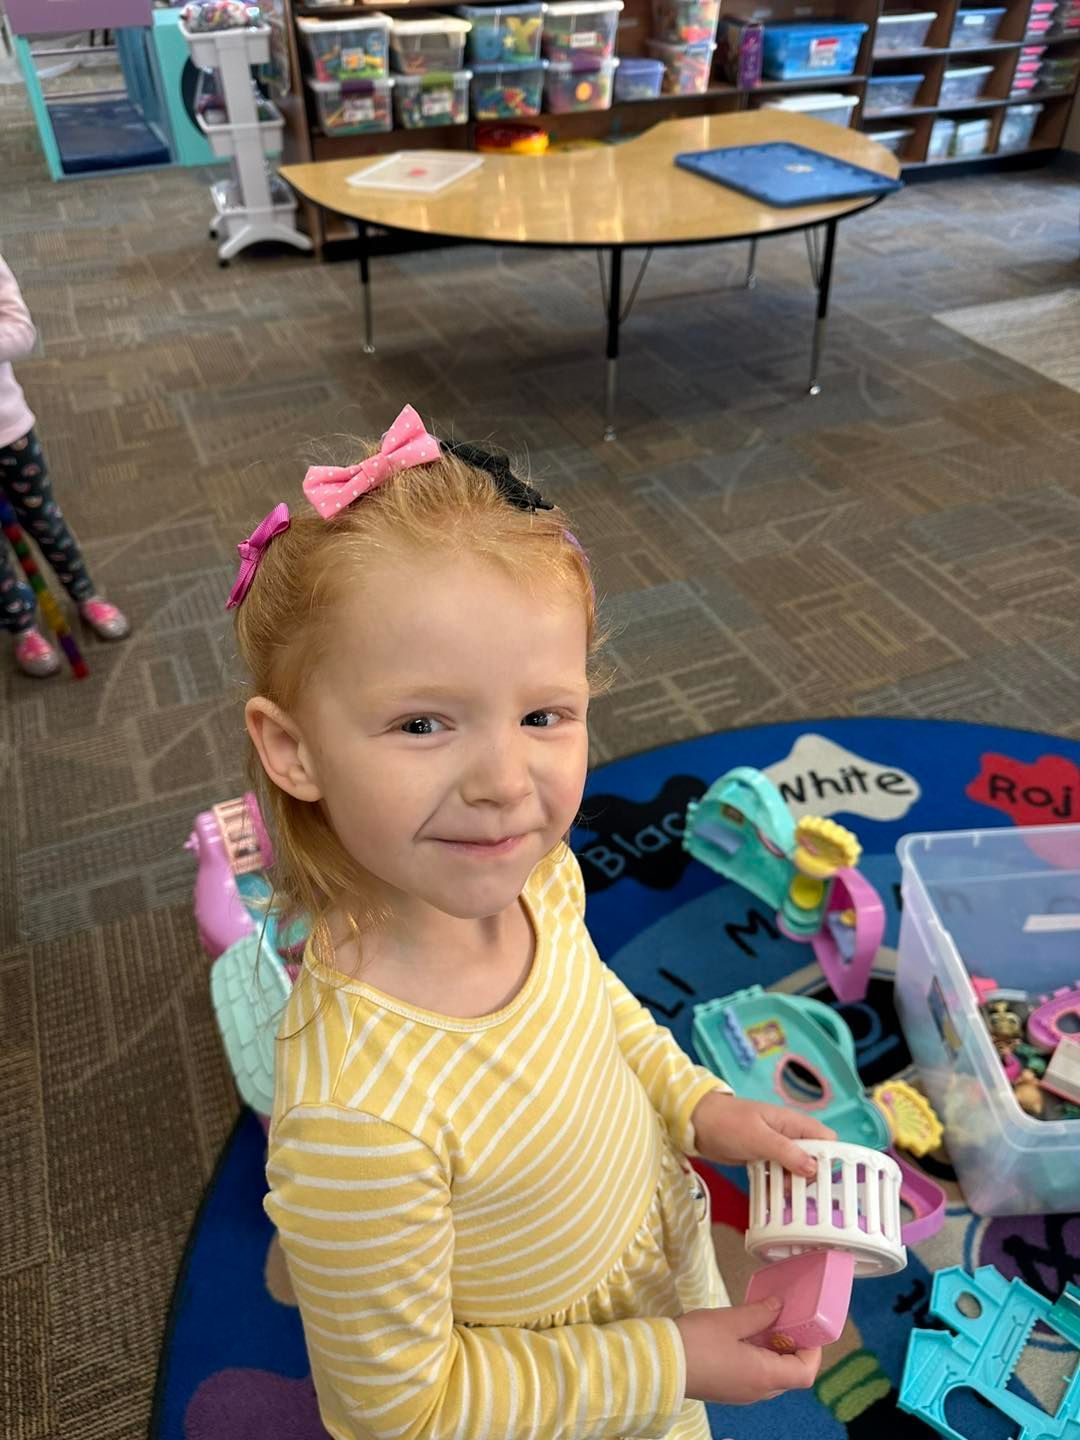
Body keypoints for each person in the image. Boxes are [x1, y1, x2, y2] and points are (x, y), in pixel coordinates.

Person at [231, 403, 832, 1440]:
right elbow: (401, 1411)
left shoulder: (537, 880)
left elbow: (597, 1012)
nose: (506, 785)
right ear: (293, 750)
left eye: (543, 714)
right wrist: (668, 1360)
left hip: (650, 1282)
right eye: (423, 723)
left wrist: (699, 1111)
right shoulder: (358, 1120)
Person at [0, 253, 129, 677]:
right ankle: (21, 623)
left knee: (44, 520)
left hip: (9, 432)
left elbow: (21, 334)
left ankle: (84, 593)